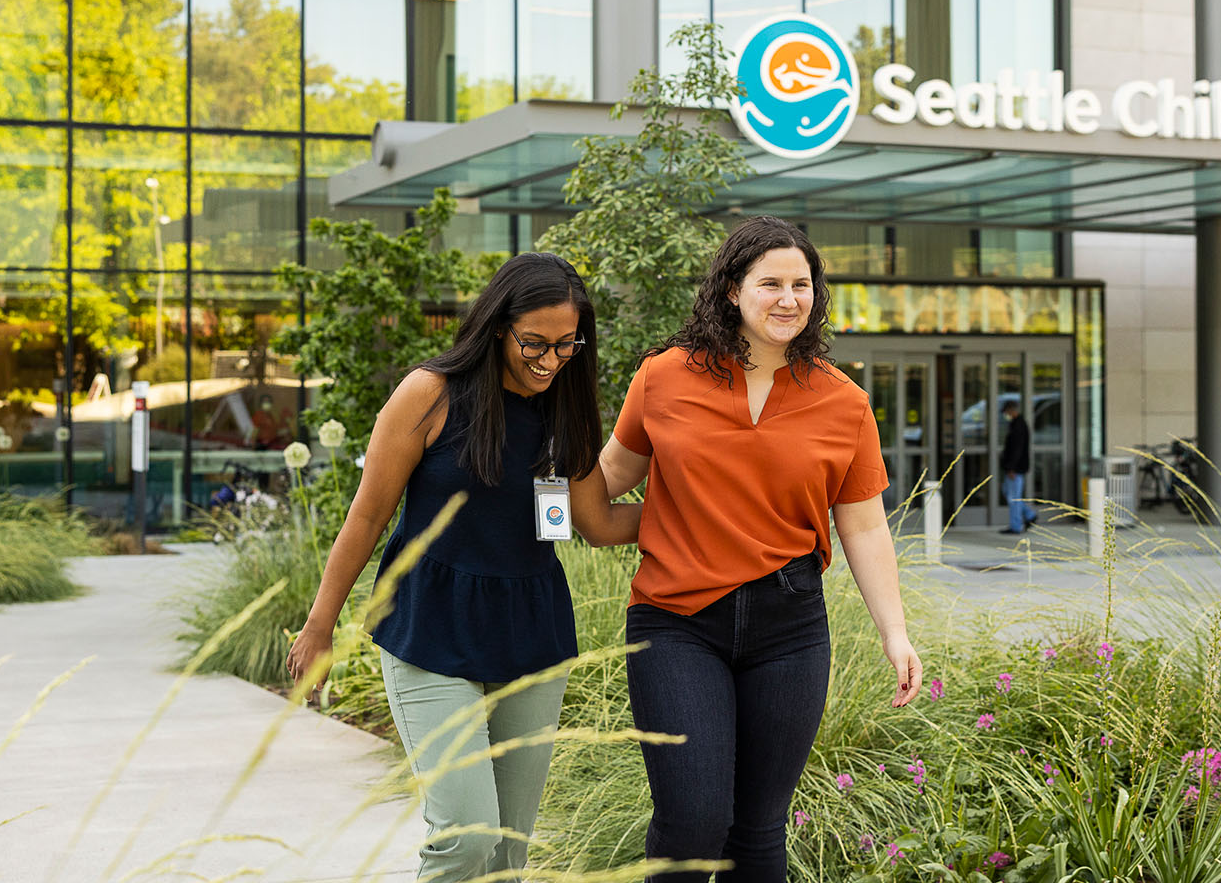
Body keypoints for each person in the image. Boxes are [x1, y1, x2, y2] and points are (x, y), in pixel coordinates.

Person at [285, 252, 641, 883]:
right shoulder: (431, 395)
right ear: (496, 326)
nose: (549, 360)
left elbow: (598, 523)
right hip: (430, 627)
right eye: (533, 342)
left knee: (507, 850)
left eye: (566, 346)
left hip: (532, 633)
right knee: (465, 839)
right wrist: (320, 626)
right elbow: (367, 516)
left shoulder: (567, 411)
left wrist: (707, 510)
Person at [599, 216, 924, 882]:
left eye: (801, 284)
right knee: (693, 819)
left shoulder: (844, 401)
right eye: (770, 282)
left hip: (789, 627)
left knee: (757, 829)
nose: (788, 298)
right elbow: (607, 481)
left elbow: (861, 526)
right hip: (675, 622)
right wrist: (529, 469)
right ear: (731, 291)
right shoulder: (662, 378)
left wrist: (895, 632)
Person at [999, 399, 1038, 534]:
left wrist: (1011, 467)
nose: (1006, 414)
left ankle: (1016, 526)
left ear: (1011, 410)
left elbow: (1017, 449)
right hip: (1014, 467)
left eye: (1006, 412)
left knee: (1013, 497)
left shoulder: (1018, 426)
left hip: (1015, 468)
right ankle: (1029, 515)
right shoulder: (1016, 424)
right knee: (1008, 492)